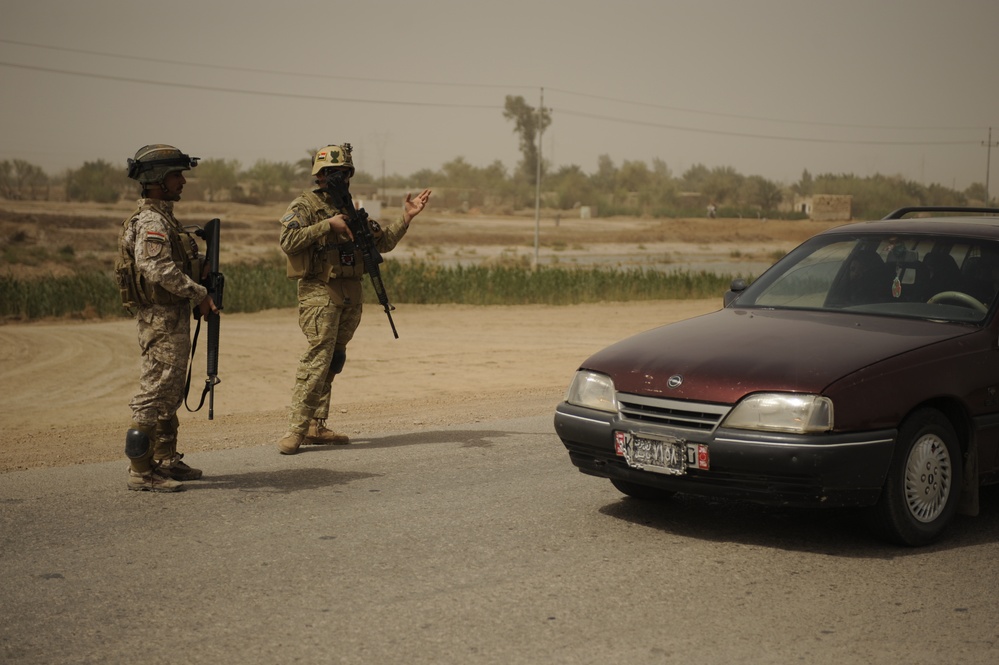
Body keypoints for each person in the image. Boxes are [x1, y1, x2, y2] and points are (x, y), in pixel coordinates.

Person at [276, 143, 431, 455]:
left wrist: (407, 217)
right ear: (319, 176)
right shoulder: (305, 206)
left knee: (335, 358)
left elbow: (382, 243)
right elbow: (287, 241)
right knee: (317, 359)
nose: (340, 178)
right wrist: (326, 225)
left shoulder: (351, 209)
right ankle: (295, 429)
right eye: (333, 173)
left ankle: (316, 425)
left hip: (351, 293)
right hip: (319, 291)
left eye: (344, 172)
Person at [116, 144, 219, 492]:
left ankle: (165, 459)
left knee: (171, 390)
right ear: (158, 180)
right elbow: (154, 266)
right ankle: (142, 472)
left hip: (171, 316)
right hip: (160, 319)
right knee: (155, 391)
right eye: (177, 176)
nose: (182, 182)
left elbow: (171, 262)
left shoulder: (165, 219)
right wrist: (199, 293)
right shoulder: (151, 221)